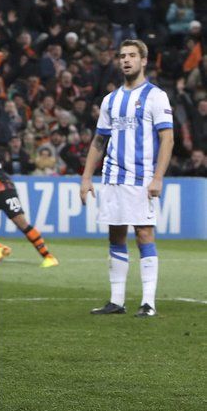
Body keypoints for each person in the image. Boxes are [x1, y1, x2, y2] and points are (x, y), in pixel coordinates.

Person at [81, 39, 174, 318]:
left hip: (142, 178)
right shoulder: (110, 100)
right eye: (122, 56)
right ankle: (117, 301)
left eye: (132, 55)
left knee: (144, 233)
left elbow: (167, 138)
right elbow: (99, 140)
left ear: (143, 61)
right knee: (116, 234)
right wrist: (86, 177)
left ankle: (148, 302)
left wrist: (158, 177)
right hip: (112, 178)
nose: (126, 60)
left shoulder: (156, 96)